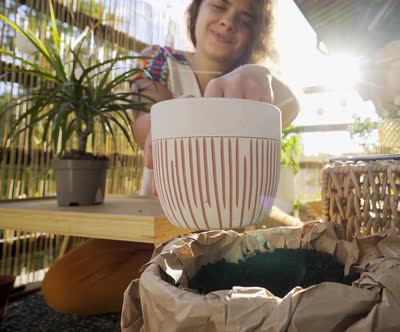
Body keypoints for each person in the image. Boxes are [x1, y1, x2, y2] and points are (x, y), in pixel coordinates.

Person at [41, 0, 299, 315]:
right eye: (219, 5)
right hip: (163, 219)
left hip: (242, 222)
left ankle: (193, 286)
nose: (228, 21)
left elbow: (289, 105)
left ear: (256, 33)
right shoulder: (159, 61)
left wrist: (260, 75)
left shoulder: (252, 84)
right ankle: (217, 282)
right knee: (64, 287)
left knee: (307, 244)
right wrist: (180, 117)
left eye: (245, 18)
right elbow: (142, 124)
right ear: (196, 11)